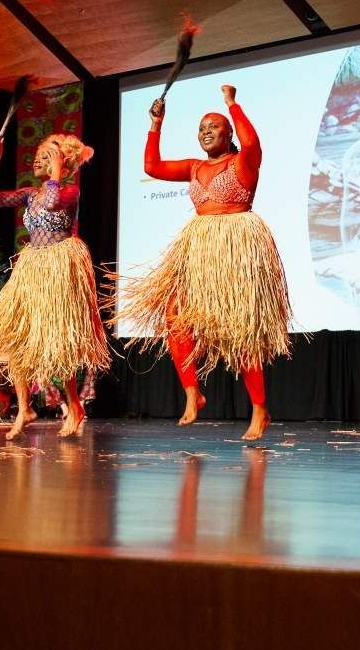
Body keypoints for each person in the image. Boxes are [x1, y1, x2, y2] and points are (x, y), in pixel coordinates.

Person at [114, 85, 291, 441]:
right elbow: (152, 165)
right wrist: (155, 123)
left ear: (228, 135)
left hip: (238, 246)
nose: (206, 131)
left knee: (243, 332)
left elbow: (253, 143)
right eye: (201, 128)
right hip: (200, 249)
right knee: (175, 314)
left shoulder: (242, 161)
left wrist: (233, 104)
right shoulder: (194, 167)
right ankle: (193, 391)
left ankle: (259, 409)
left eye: (214, 126)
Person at [0, 133, 109, 441]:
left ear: (63, 163)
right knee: (17, 340)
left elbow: (54, 200)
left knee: (58, 345)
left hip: (60, 268)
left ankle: (74, 404)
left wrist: (57, 172)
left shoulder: (70, 190)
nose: (37, 159)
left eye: (47, 156)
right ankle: (24, 408)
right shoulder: (29, 194)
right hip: (32, 268)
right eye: (39, 154)